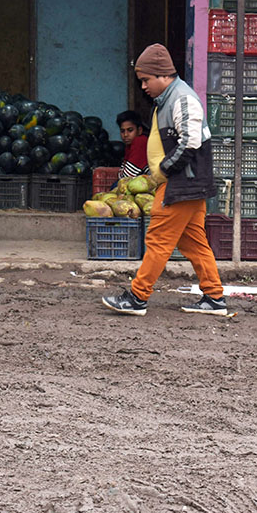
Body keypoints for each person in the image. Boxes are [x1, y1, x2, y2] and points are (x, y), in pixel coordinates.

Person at [102, 44, 226, 317]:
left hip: (181, 184)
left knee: (158, 238)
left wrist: (165, 169)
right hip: (191, 183)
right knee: (193, 241)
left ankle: (137, 297)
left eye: (146, 80)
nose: (143, 86)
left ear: (162, 75)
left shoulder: (181, 98)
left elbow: (190, 142)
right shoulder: (171, 98)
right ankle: (214, 298)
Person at [116, 110, 150, 181]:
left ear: (140, 130)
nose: (125, 135)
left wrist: (121, 174)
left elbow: (125, 177)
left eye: (130, 130)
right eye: (122, 131)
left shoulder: (140, 142)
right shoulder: (129, 146)